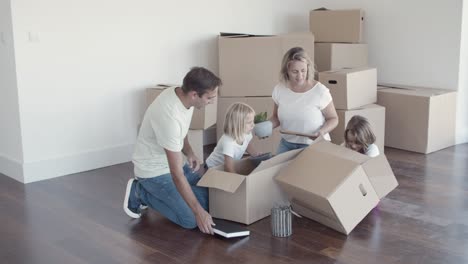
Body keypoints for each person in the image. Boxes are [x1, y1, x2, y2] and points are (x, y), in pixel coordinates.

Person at [123, 67, 222, 235]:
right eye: (210, 98)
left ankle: (182, 201)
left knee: (213, 200)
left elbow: (181, 131)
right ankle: (140, 192)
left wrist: (189, 151)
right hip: (154, 172)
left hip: (172, 164)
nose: (212, 101)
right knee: (191, 219)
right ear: (194, 94)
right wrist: (199, 212)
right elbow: (176, 174)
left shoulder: (182, 96)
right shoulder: (169, 117)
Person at [267, 46, 338, 154]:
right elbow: (276, 117)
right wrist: (266, 127)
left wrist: (322, 132)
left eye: (303, 70)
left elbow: (333, 118)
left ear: (308, 68)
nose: (300, 76)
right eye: (295, 71)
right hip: (287, 143)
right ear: (286, 71)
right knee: (279, 170)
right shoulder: (280, 89)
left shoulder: (320, 91)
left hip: (313, 145)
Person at [205, 102, 259, 173]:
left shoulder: (247, 134)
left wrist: (256, 155)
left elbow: (247, 144)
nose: (253, 125)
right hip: (212, 168)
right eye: (249, 122)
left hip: (226, 165)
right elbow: (228, 167)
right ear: (237, 124)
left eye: (253, 121)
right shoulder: (228, 142)